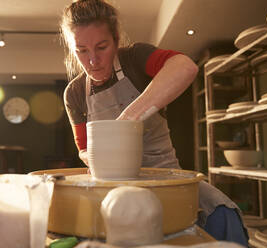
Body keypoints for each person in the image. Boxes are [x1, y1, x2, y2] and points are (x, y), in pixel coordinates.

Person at [60, 0, 248, 246]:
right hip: (113, 189)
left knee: (223, 213)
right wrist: (102, 156)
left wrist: (126, 121)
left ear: (116, 39)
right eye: (82, 50)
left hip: (167, 178)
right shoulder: (74, 93)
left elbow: (185, 67)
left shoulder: (135, 58)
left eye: (102, 47)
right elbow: (83, 149)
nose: (93, 60)